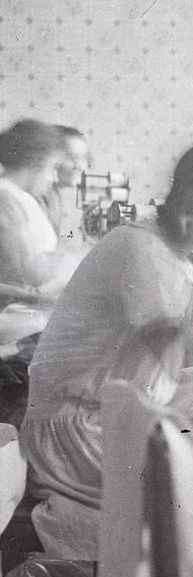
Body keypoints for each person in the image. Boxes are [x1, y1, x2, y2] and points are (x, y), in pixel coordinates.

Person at [19, 142, 193, 560]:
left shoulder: (174, 251)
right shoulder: (139, 247)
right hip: (76, 429)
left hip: (115, 414)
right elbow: (186, 355)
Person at [0, 119, 69, 427]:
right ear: (36, 161)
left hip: (22, 320)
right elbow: (30, 271)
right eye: (53, 167)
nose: (54, 178)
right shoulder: (8, 201)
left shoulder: (16, 198)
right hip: (15, 327)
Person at [40, 125, 90, 237]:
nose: (80, 166)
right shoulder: (39, 199)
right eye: (72, 157)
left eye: (84, 157)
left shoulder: (54, 196)